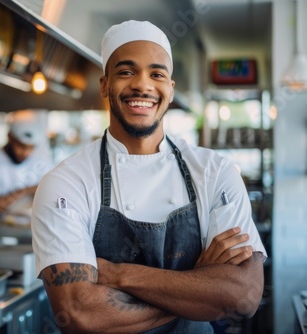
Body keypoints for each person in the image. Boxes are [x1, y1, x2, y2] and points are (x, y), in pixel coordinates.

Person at [31, 20, 267, 333]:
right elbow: (80, 314)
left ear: (170, 89)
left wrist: (116, 274)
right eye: (126, 72)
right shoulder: (65, 183)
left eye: (157, 74)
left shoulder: (215, 172)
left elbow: (244, 296)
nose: (143, 85)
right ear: (104, 85)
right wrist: (198, 288)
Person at [0, 111, 53, 239]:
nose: (25, 152)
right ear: (10, 137)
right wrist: (27, 190)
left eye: (30, 147)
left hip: (34, 231)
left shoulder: (41, 160)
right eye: (21, 146)